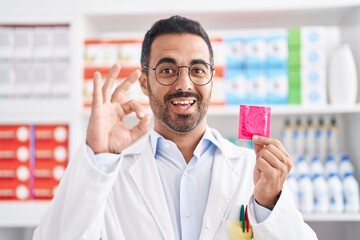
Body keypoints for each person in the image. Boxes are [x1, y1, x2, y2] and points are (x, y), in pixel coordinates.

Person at [33, 15, 318, 240]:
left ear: (211, 80)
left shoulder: (250, 169)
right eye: (168, 70)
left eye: (197, 70)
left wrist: (268, 204)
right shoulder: (109, 172)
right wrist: (97, 157)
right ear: (145, 83)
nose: (184, 85)